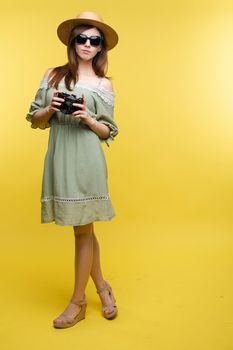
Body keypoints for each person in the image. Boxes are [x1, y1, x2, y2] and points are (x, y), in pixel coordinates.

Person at [26, 11, 119, 328]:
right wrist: (51, 107)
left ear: (100, 47)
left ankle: (77, 302)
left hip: (87, 160)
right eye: (82, 37)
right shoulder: (51, 76)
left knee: (83, 229)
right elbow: (34, 120)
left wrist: (87, 117)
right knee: (84, 228)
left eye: (95, 40)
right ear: (72, 40)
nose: (88, 44)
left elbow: (108, 132)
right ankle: (103, 288)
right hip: (60, 156)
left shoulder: (103, 85)